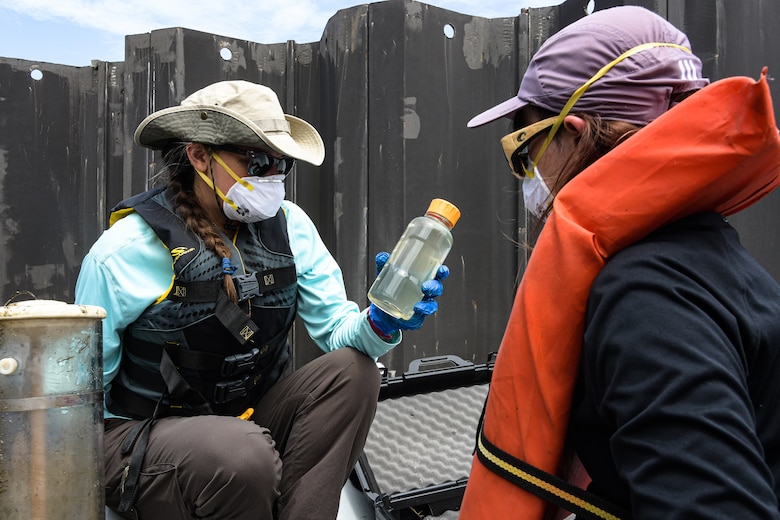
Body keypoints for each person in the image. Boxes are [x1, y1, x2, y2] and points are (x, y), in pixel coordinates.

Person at [459, 5, 780, 520]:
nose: (525, 174)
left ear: (576, 131)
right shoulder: (705, 257)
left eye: (524, 149)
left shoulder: (647, 298)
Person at [74, 80, 448, 520]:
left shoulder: (291, 226)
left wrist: (382, 321)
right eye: (257, 162)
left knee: (354, 373)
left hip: (248, 421)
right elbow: (82, 402)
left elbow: (337, 332)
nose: (272, 178)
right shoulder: (122, 252)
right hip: (144, 437)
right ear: (199, 156)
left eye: (281, 165)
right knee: (241, 453)